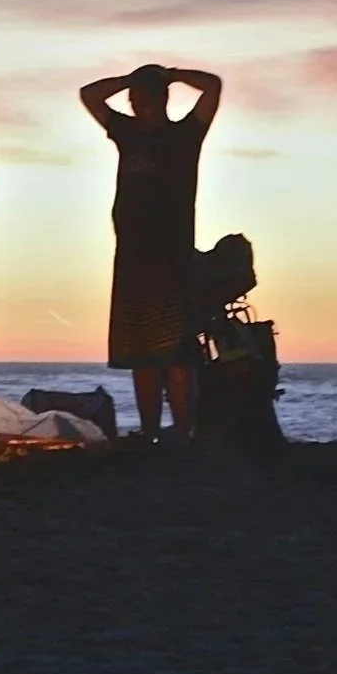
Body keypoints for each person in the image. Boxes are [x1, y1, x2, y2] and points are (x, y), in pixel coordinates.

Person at [80, 63, 222, 443]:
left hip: (173, 258)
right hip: (131, 260)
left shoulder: (185, 135)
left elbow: (212, 87)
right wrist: (129, 79)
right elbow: (89, 94)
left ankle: (182, 430)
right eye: (134, 99)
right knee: (139, 356)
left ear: (162, 100)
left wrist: (172, 74)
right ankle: (149, 431)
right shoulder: (125, 132)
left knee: (177, 355)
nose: (138, 105)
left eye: (146, 98)